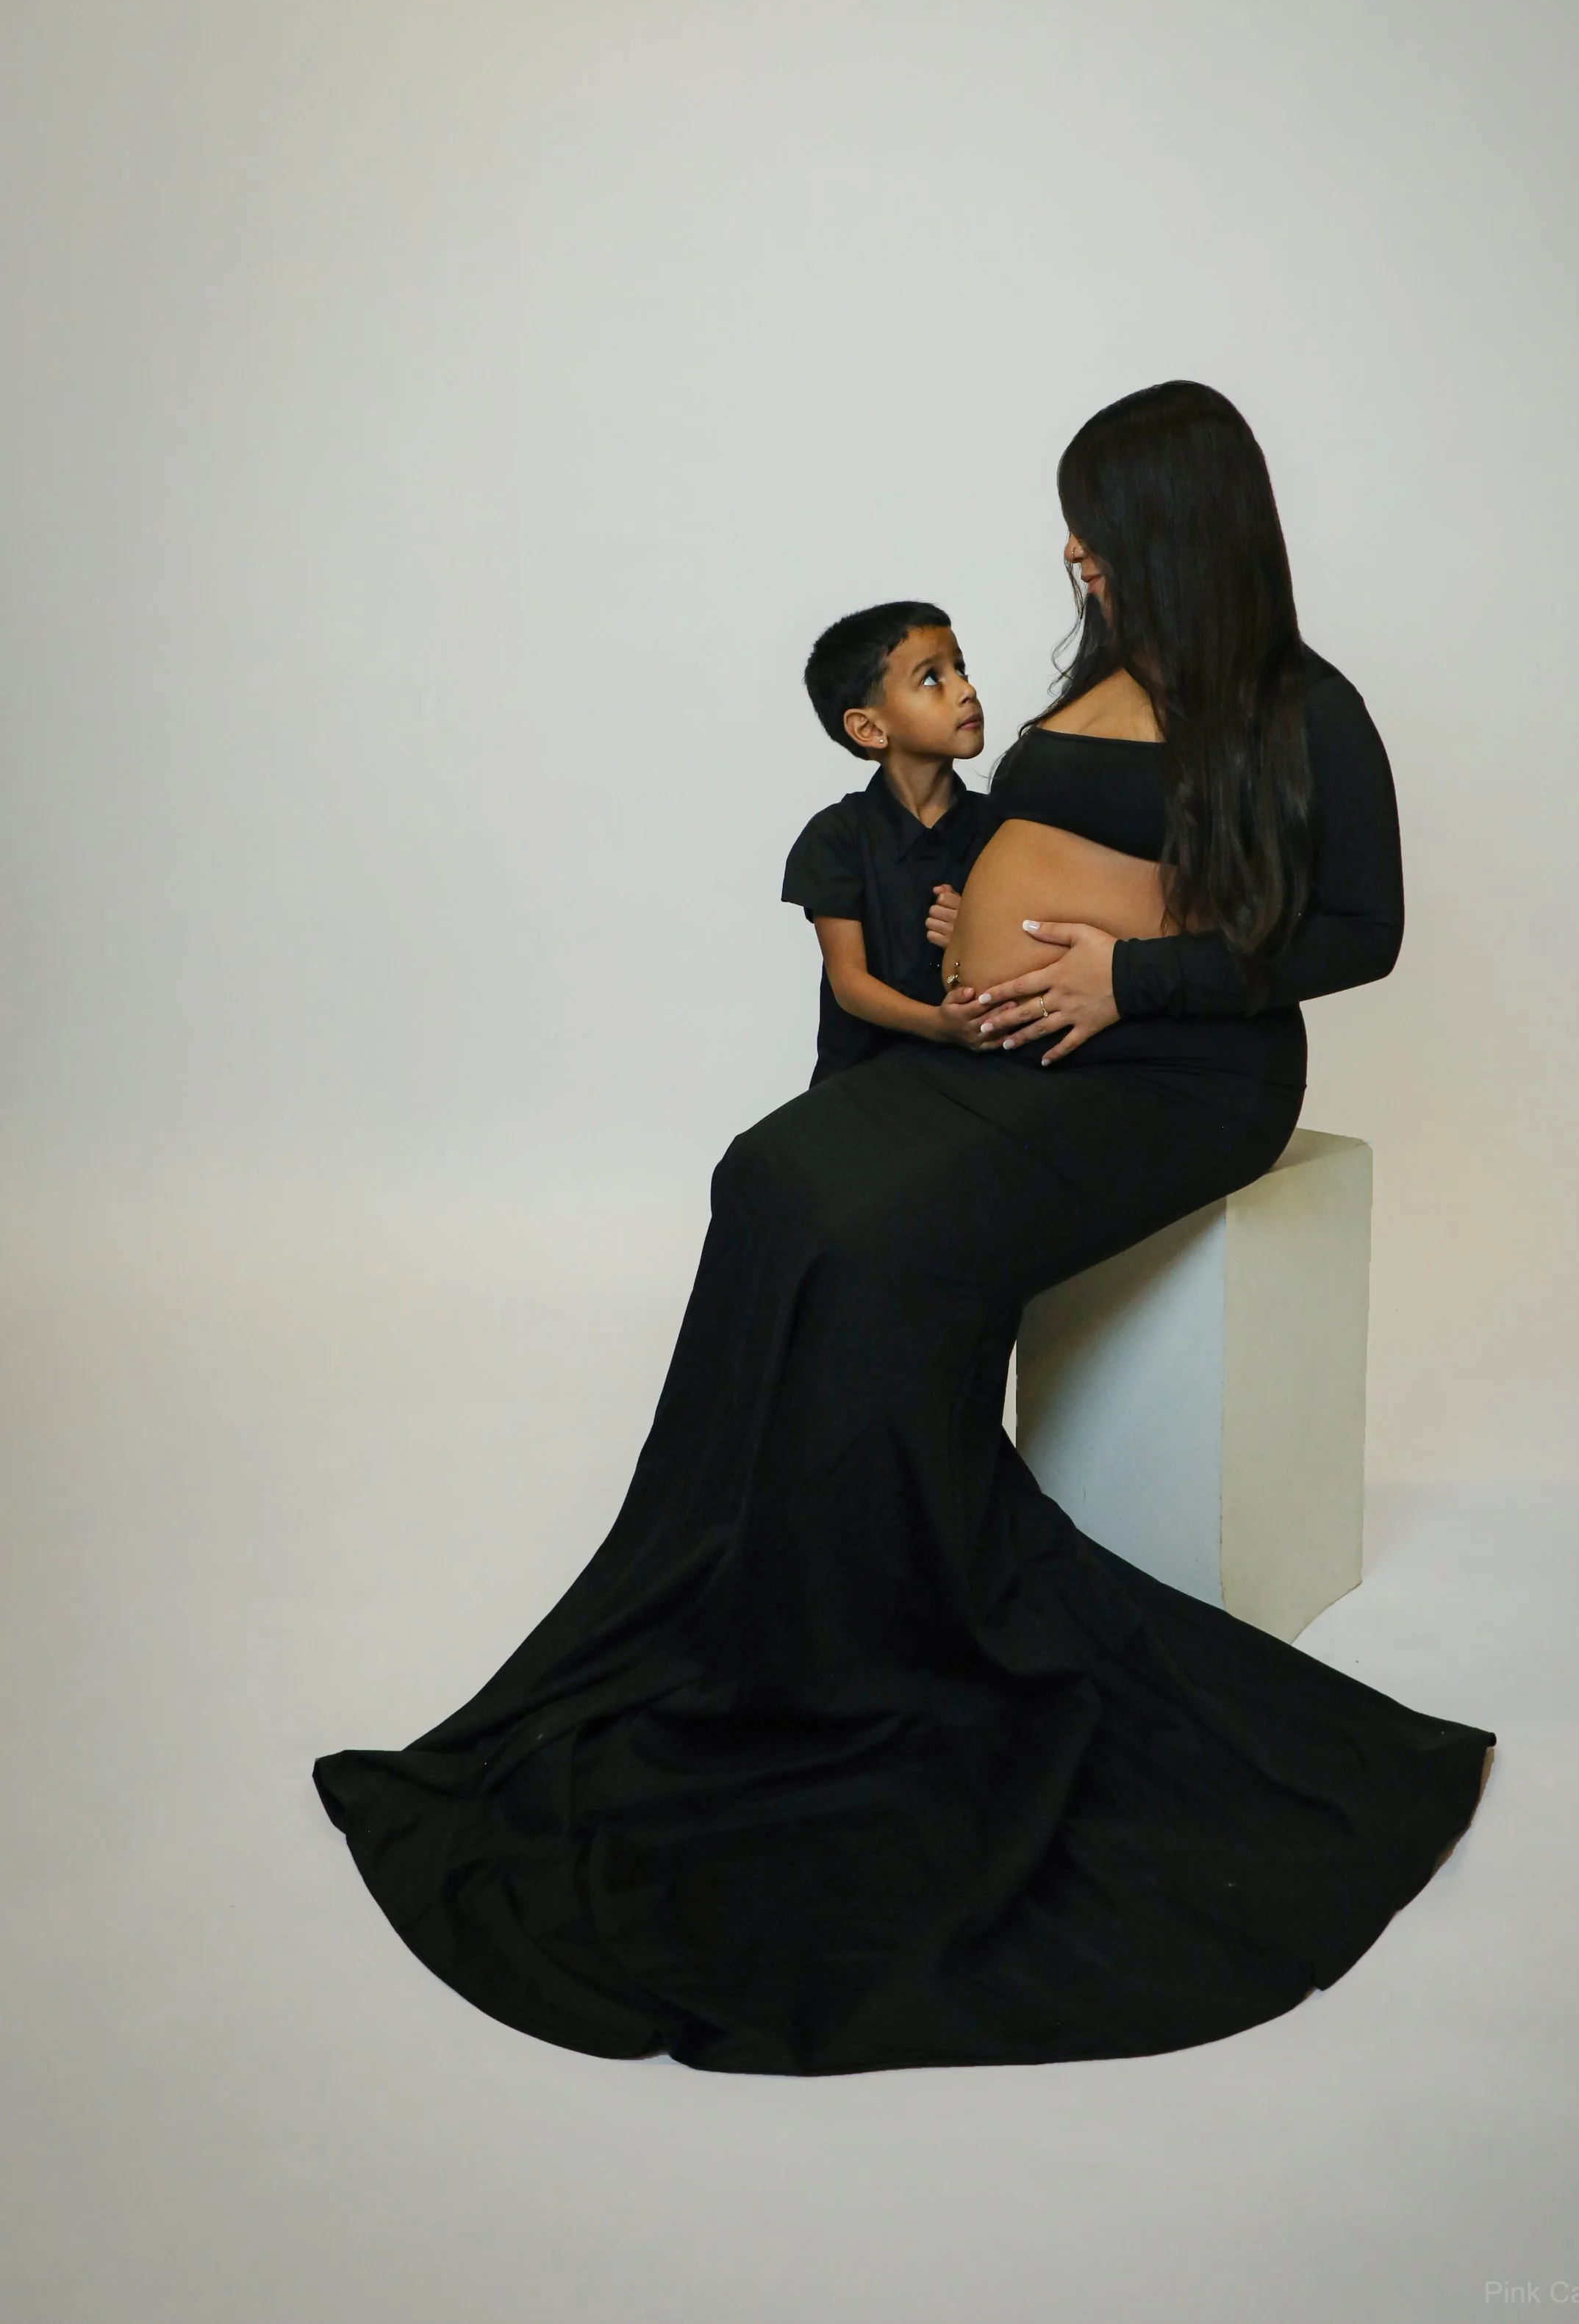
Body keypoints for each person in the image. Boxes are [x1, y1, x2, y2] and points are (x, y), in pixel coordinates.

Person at [315, 381, 1494, 2078]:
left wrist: (1130, 978)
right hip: (1018, 1050)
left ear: (1179, 526)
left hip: (1184, 1077)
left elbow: (1357, 933)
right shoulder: (1094, 670)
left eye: (1098, 526)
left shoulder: (1310, 710)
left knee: (879, 1246)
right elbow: (1046, 849)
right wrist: (970, 921)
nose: (1073, 552)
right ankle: (747, 1595)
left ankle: (895, 1633)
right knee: (772, 1177)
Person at [781, 601, 991, 1084]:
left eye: (960, 669)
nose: (967, 689)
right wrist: (939, 1025)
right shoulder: (835, 837)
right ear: (869, 728)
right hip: (862, 1082)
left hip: (982, 1079)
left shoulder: (1005, 827)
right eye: (932, 678)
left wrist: (982, 932)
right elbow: (850, 985)